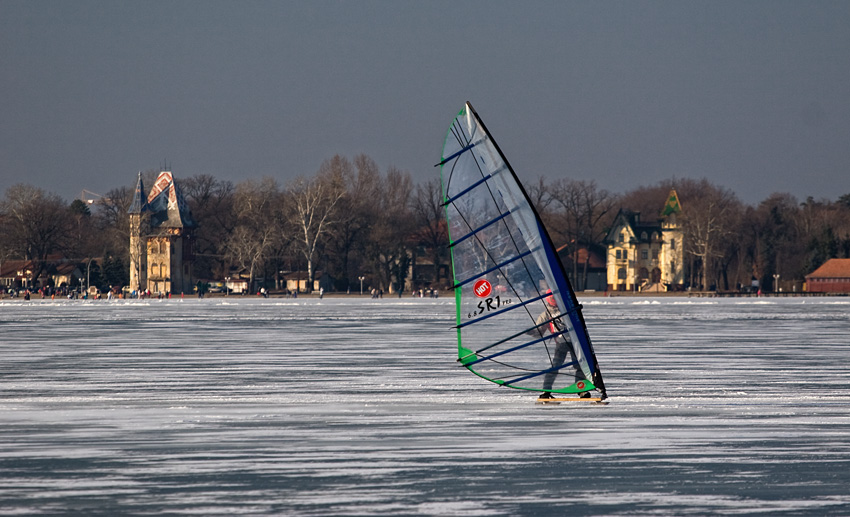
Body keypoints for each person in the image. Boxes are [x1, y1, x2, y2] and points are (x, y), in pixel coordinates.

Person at [531, 290, 589, 400]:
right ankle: (546, 391)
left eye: (555, 298)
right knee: (555, 367)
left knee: (580, 366)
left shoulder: (567, 309)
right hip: (561, 344)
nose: (554, 301)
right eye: (551, 299)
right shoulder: (546, 314)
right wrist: (531, 332)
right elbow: (539, 332)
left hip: (575, 343)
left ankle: (581, 390)